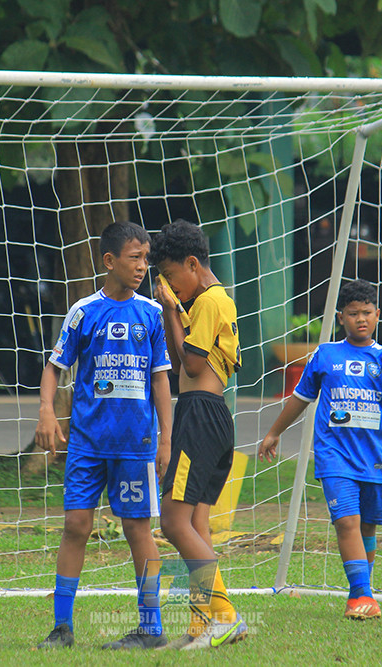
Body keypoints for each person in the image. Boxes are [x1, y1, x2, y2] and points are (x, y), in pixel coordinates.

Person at [259, 279, 382, 621]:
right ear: (341, 318)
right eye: (353, 314)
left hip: (372, 459)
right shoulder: (326, 355)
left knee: (368, 527)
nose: (361, 319)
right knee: (347, 522)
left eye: (367, 313)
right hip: (333, 455)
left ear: (378, 315)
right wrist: (274, 432)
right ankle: (361, 596)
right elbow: (300, 399)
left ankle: (363, 590)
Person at [35, 222, 173, 650]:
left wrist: (166, 436)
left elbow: (160, 379)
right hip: (87, 442)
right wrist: (46, 411)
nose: (142, 266)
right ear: (109, 261)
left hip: (135, 443)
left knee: (137, 528)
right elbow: (55, 366)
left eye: (146, 258)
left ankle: (151, 629)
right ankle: (62, 628)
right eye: (135, 258)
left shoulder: (150, 314)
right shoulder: (84, 311)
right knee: (76, 524)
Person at [150, 219, 247, 650]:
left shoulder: (210, 300)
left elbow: (190, 368)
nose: (171, 286)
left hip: (200, 416)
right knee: (197, 524)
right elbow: (180, 358)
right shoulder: (204, 304)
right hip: (209, 415)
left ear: (193, 263)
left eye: (171, 276)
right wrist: (175, 312)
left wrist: (171, 309)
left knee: (172, 519)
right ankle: (200, 623)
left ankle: (225, 616)